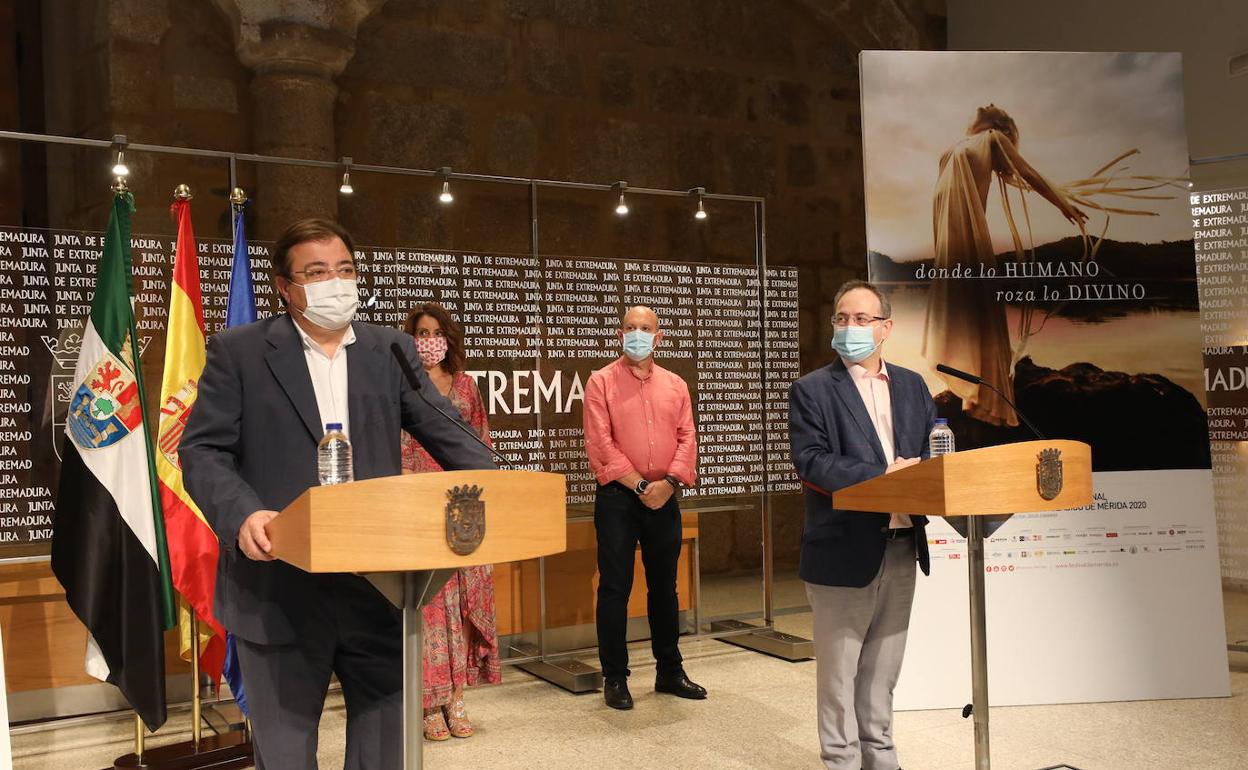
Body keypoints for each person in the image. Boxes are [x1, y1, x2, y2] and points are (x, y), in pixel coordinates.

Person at [180, 218, 496, 769]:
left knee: (383, 750)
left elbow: (456, 439)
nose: (336, 283)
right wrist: (244, 513)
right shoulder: (240, 351)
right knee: (285, 754)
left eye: (345, 270)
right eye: (317, 272)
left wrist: (500, 491)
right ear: (284, 285)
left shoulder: (390, 350)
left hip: (378, 587)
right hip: (277, 582)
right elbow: (202, 453)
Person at [789, 280, 937, 770]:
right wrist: (882, 475)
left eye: (861, 319)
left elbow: (932, 446)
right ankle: (841, 761)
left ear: (886, 328)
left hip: (900, 544)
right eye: (841, 319)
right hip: (841, 547)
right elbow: (812, 462)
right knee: (839, 674)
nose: (849, 328)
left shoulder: (913, 385)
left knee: (881, 671)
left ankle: (882, 759)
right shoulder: (812, 389)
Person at [925, 104, 1086, 426]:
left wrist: (1061, 203)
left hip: (956, 228)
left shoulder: (975, 142)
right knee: (969, 301)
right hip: (952, 227)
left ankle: (979, 391)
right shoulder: (976, 142)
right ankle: (976, 386)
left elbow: (1023, 173)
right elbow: (1025, 173)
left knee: (972, 300)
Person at [583, 305, 703, 711]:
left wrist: (667, 484)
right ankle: (615, 678)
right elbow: (600, 444)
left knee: (664, 588)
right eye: (630, 328)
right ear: (620, 334)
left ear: (659, 336)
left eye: (645, 328)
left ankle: (669, 670)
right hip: (619, 498)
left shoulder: (675, 385)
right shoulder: (600, 382)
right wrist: (639, 484)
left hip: (665, 497)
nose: (638, 334)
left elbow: (688, 438)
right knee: (615, 588)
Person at [399, 302, 501, 741]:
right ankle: (428, 705)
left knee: (460, 606)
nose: (429, 340)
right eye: (421, 333)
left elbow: (480, 442)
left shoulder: (466, 387)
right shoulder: (399, 386)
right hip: (415, 508)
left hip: (461, 508)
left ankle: (456, 700)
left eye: (436, 332)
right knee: (428, 607)